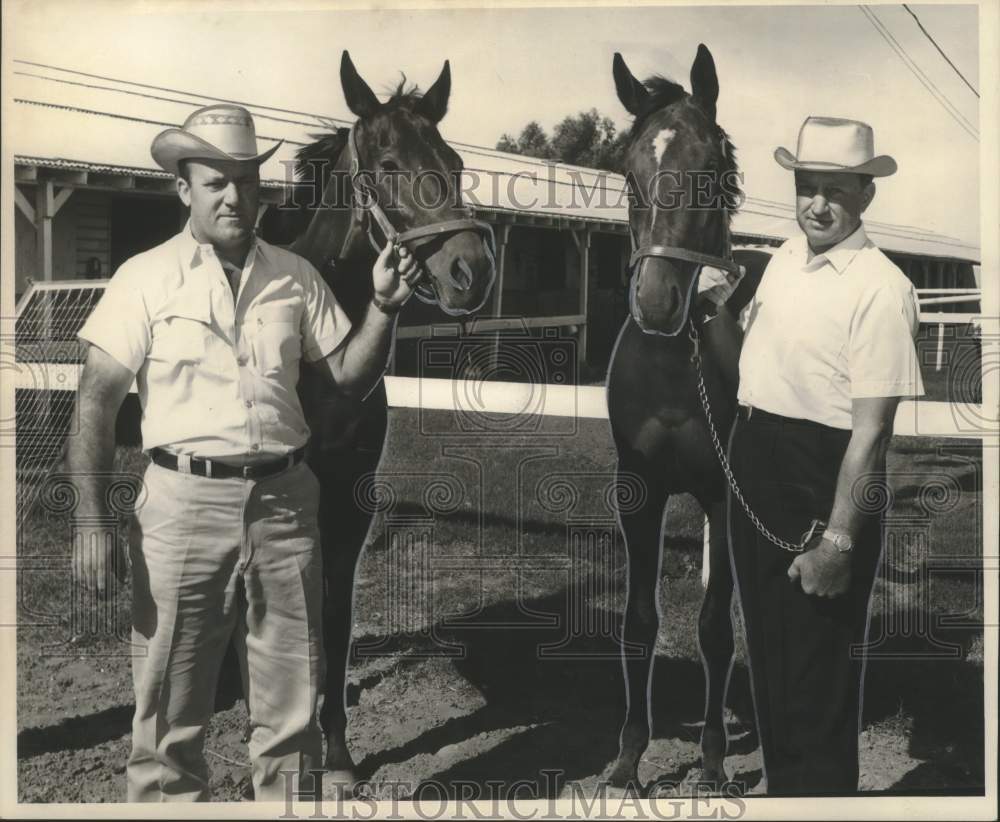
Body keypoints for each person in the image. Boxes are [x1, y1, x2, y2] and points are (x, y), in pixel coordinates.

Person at [66, 103, 418, 801]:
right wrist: (89, 523)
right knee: (169, 723)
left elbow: (349, 375)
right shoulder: (144, 278)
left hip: (286, 508)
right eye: (215, 181)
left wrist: (383, 308)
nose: (233, 196)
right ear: (184, 189)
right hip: (180, 510)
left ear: (262, 189)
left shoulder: (295, 277)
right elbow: (96, 401)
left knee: (291, 723)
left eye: (246, 181)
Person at [726, 117, 924, 794]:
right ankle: (786, 795)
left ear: (865, 194)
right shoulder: (782, 258)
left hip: (824, 477)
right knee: (772, 673)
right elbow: (748, 374)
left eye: (834, 191)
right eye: (807, 187)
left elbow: (872, 434)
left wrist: (839, 541)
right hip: (754, 463)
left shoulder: (882, 287)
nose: (817, 204)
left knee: (816, 684)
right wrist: (707, 317)